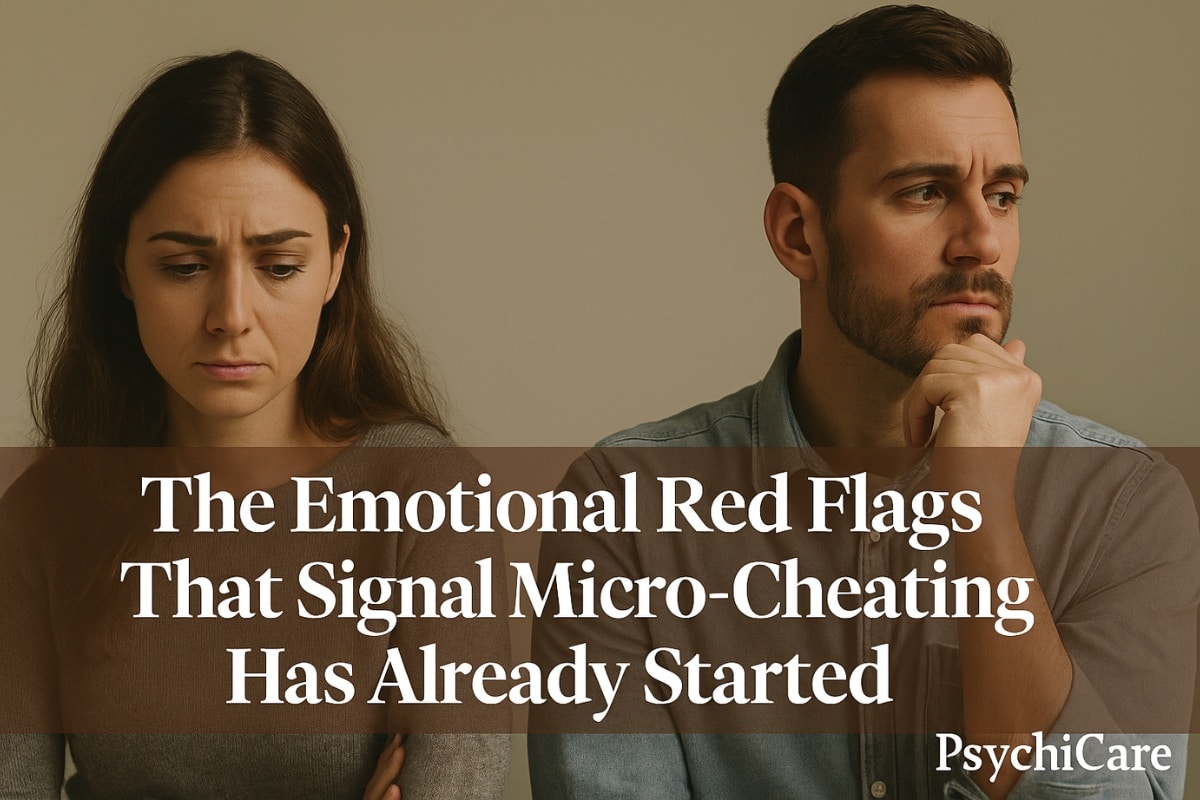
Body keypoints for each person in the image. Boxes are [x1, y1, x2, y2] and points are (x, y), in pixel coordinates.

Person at [528, 5, 1199, 799]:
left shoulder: (1122, 506)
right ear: (798, 234)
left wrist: (980, 505)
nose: (982, 240)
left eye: (1004, 194)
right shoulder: (625, 510)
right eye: (924, 192)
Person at [0, 51, 508, 799]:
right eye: (183, 267)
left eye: (279, 267)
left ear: (336, 263)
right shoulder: (43, 518)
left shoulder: (430, 499)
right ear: (120, 267)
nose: (231, 317)